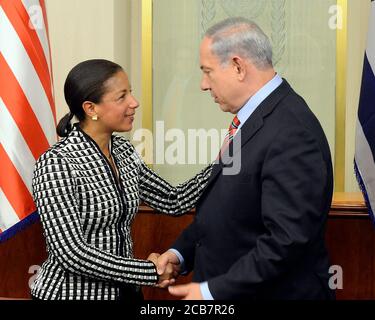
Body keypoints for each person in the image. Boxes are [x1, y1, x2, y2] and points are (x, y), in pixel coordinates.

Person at [156, 17, 335, 300]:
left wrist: (211, 291)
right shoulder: (254, 120)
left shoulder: (291, 132)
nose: (203, 84)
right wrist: (180, 253)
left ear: (238, 67)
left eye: (207, 71)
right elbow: (228, 210)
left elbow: (286, 242)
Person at [30, 59, 212, 300]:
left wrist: (226, 161)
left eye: (131, 93)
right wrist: (149, 271)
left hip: (125, 293)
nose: (134, 103)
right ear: (91, 109)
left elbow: (173, 200)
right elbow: (72, 254)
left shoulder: (124, 151)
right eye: (121, 97)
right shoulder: (56, 163)